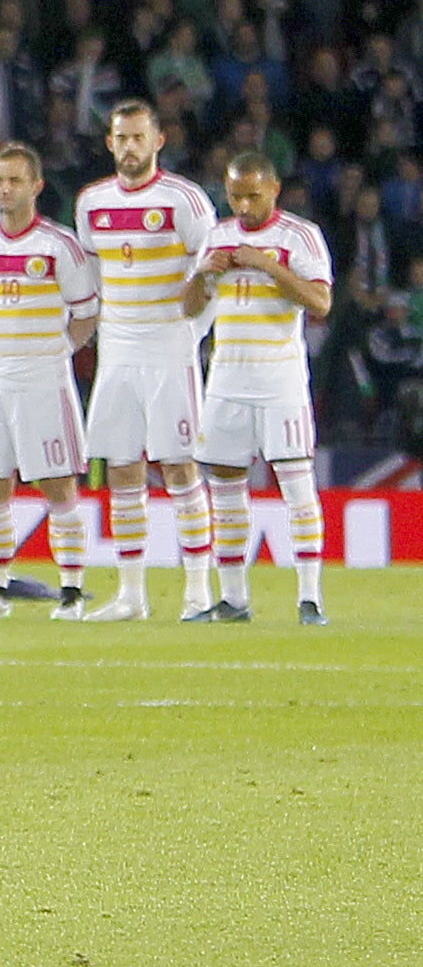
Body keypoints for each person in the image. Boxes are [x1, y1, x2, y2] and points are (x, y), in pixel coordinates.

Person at [72, 99, 220, 621]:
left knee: (178, 465)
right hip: (117, 349)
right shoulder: (91, 202)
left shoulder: (185, 200)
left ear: (158, 141)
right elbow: (91, 280)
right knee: (122, 467)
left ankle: (198, 590)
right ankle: (131, 594)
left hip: (168, 347)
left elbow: (212, 273)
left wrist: (190, 333)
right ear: (109, 143)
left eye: (139, 137)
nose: (130, 147)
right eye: (122, 138)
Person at [186, 149, 334, 625]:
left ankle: (310, 599)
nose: (244, 206)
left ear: (274, 189)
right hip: (226, 382)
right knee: (226, 491)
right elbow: (189, 307)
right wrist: (204, 273)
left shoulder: (299, 236)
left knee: (297, 487)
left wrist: (268, 266)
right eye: (235, 196)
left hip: (280, 384)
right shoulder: (218, 236)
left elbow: (320, 302)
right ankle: (233, 599)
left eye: (252, 195)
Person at [0, 145, 97, 619]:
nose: (5, 190)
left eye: (15, 181)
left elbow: (86, 314)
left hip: (43, 380)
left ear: (36, 186)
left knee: (58, 484)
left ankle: (72, 592)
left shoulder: (59, 246)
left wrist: (54, 353)